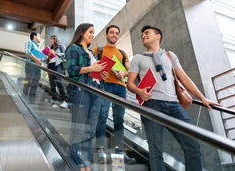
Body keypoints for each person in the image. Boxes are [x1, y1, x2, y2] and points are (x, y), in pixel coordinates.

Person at [127, 25, 219, 171]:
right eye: (142, 34)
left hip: (174, 105)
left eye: (147, 33)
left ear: (158, 36)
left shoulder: (170, 55)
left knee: (192, 145)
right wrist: (139, 91)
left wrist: (203, 98)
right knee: (156, 150)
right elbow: (130, 83)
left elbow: (184, 78)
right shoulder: (138, 58)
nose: (143, 36)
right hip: (151, 105)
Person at [66, 23, 108, 171]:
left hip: (95, 91)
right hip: (81, 91)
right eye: (90, 32)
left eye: (93, 32)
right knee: (79, 126)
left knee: (90, 129)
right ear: (81, 32)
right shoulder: (74, 48)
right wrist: (92, 68)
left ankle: (87, 163)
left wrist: (101, 74)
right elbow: (71, 70)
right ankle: (76, 159)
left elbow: (94, 72)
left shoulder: (92, 53)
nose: (92, 35)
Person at [93, 25, 135, 164]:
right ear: (106, 35)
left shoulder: (122, 53)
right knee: (102, 116)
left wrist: (124, 73)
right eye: (112, 32)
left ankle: (120, 153)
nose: (114, 35)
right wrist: (100, 73)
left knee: (119, 120)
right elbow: (92, 70)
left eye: (117, 33)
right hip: (104, 86)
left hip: (120, 87)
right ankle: (99, 149)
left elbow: (131, 70)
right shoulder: (98, 50)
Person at [47, 35, 68, 108]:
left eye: (52, 39)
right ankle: (55, 102)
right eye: (50, 40)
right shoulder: (50, 48)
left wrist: (57, 54)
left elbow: (66, 54)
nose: (51, 41)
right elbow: (47, 59)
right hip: (50, 65)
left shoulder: (61, 46)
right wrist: (48, 56)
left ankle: (65, 101)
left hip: (58, 65)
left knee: (58, 81)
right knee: (52, 84)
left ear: (55, 39)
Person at [23, 31, 43, 104]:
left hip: (37, 67)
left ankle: (32, 101)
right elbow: (27, 52)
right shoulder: (29, 43)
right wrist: (37, 60)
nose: (40, 38)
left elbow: (40, 59)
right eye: (39, 36)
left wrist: (43, 58)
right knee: (29, 81)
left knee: (35, 83)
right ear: (34, 36)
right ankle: (24, 98)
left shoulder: (38, 47)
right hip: (30, 65)